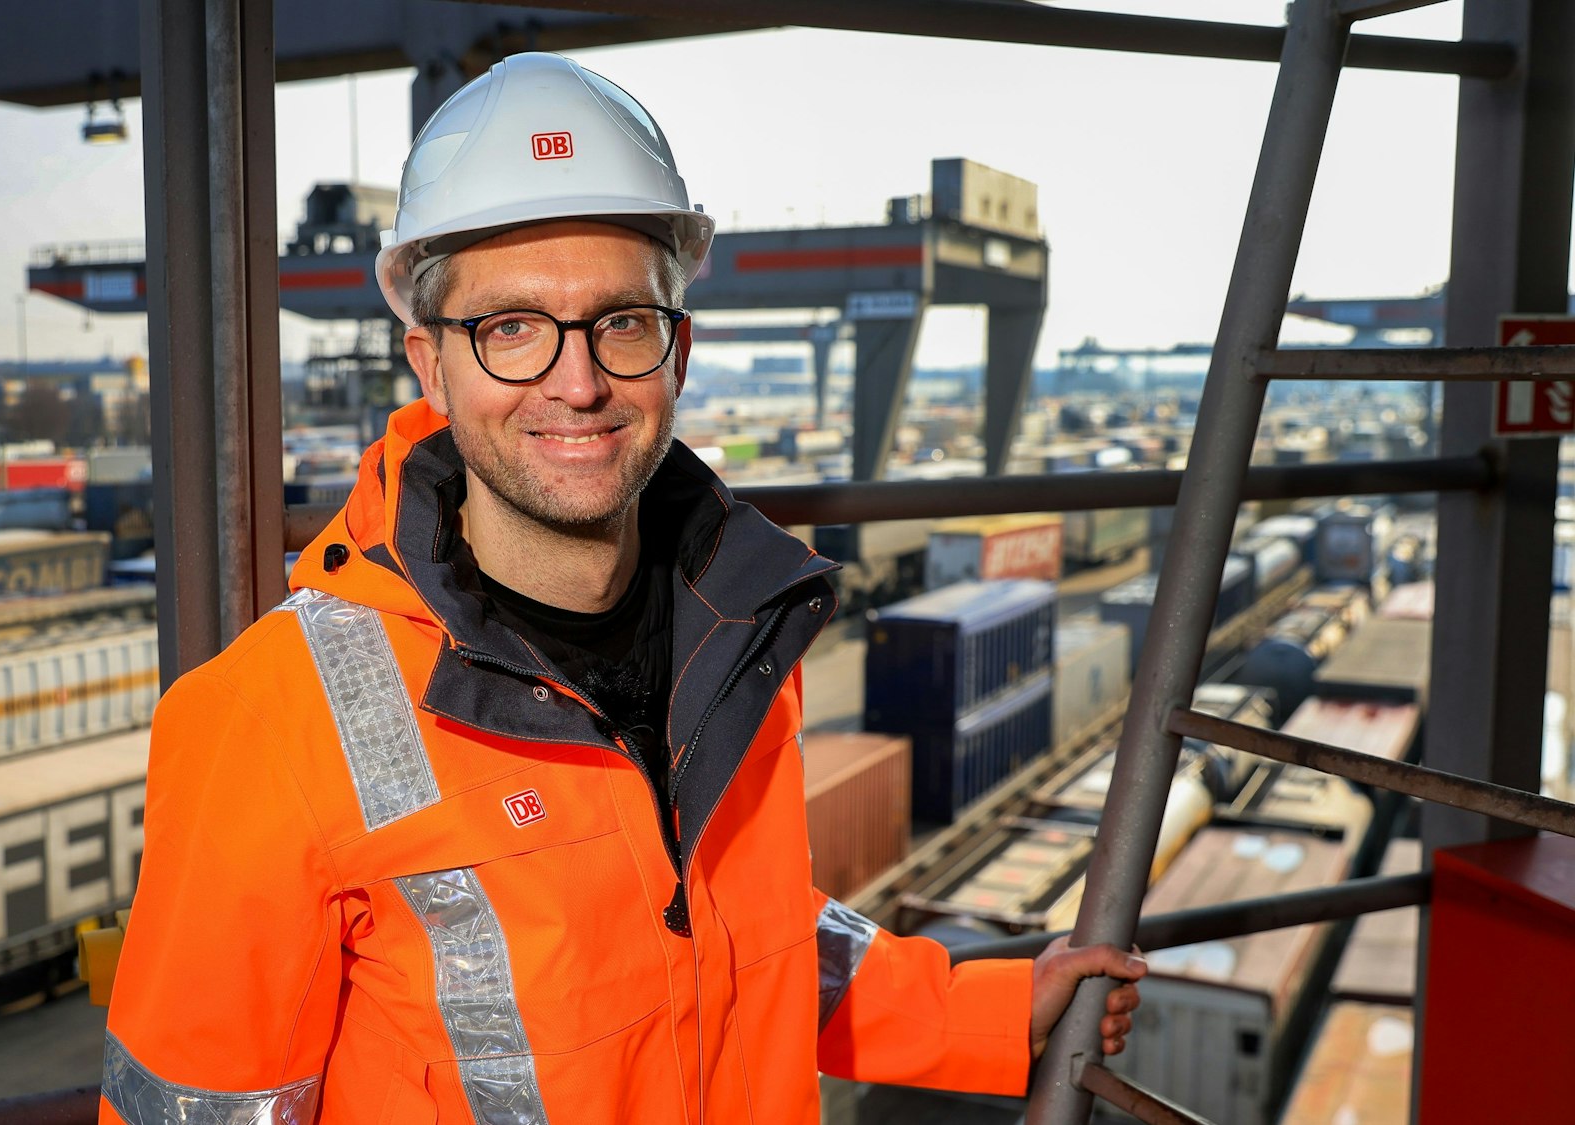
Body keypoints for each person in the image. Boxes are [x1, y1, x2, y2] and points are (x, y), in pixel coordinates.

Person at [101, 52, 1142, 1125]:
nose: (578, 381)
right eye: (510, 328)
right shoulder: (267, 723)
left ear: (678, 350)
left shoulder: (735, 636)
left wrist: (977, 1014)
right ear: (429, 363)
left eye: (622, 322)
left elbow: (740, 939)